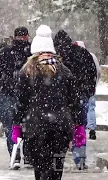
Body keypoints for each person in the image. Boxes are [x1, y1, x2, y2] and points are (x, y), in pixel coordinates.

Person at [12, 25, 86, 180]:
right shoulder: (64, 71)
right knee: (56, 169)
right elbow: (75, 101)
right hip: (61, 128)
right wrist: (79, 125)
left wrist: (17, 125)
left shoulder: (27, 71)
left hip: (35, 128)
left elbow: (20, 102)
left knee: (40, 169)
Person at [54, 30, 97, 169]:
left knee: (59, 128)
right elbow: (92, 72)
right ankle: (80, 157)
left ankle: (57, 160)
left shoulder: (55, 56)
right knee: (80, 126)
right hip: (81, 95)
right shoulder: (82, 53)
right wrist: (88, 90)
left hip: (62, 98)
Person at [0, 27, 31, 169]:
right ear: (27, 36)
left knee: (10, 126)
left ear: (14, 37)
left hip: (7, 92)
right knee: (28, 125)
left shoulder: (3, 53)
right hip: (28, 94)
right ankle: (29, 156)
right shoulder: (32, 53)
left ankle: (15, 155)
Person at [73, 41, 101, 140]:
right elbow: (98, 71)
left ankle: (82, 129)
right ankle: (92, 129)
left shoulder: (74, 57)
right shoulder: (91, 56)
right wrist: (94, 83)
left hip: (81, 88)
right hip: (90, 86)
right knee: (91, 107)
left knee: (82, 109)